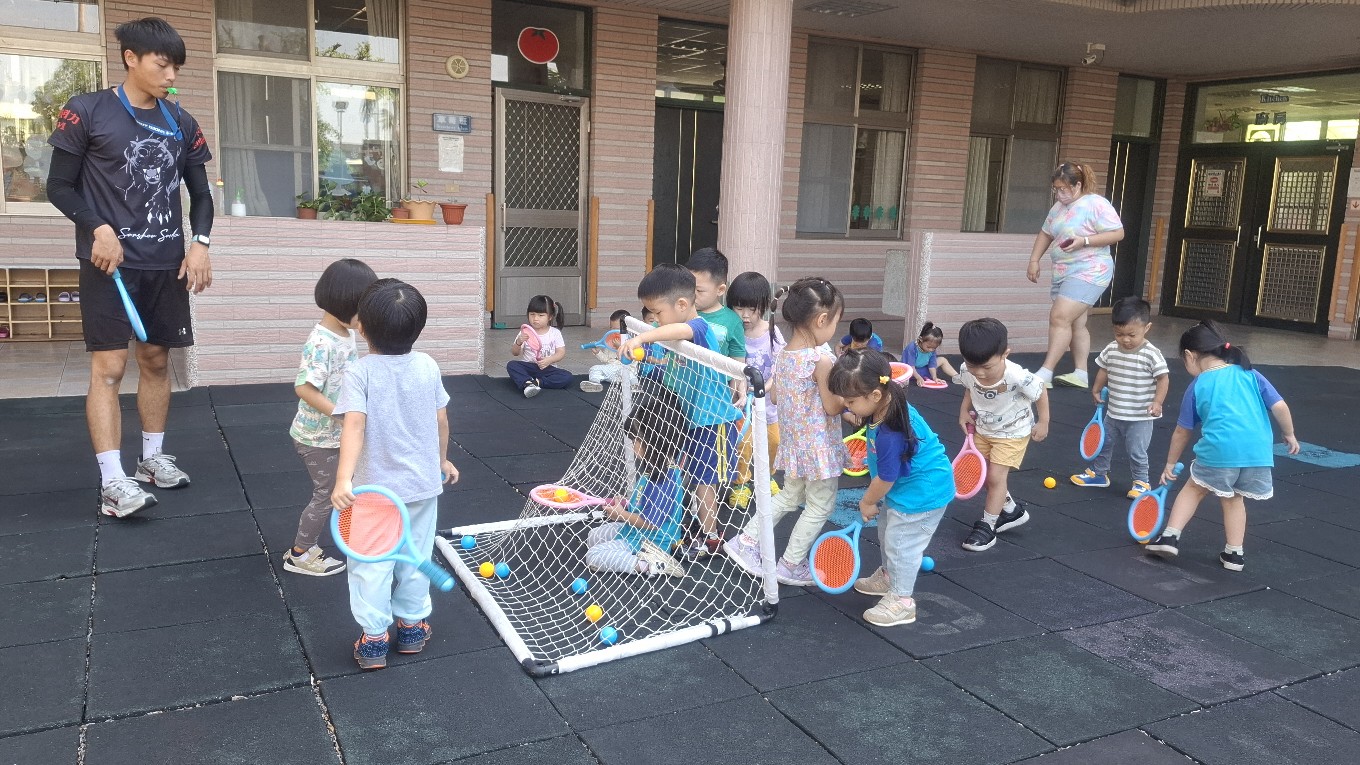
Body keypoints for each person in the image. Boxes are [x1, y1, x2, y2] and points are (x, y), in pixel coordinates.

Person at [45, 17, 214, 517]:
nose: (171, 76)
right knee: (110, 368)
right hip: (109, 265)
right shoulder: (86, 111)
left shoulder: (181, 121)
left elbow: (201, 195)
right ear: (131, 58)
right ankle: (112, 481)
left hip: (165, 264)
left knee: (157, 361)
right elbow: (59, 186)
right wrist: (97, 228)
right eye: (162, 65)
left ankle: (151, 459)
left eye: (176, 67)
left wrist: (200, 244)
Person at [331, 279, 458, 670]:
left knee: (370, 564)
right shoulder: (428, 365)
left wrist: (343, 480)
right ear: (418, 328)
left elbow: (354, 426)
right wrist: (441, 460)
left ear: (362, 328)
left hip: (374, 493)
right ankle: (412, 627)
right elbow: (441, 420)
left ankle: (373, 639)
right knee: (416, 557)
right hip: (421, 487)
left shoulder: (360, 372)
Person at [1146, 321, 1299, 572]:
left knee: (1194, 489)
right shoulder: (1250, 374)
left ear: (1189, 356)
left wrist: (1170, 463)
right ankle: (1234, 554)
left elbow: (1183, 431)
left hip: (1221, 450)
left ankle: (1170, 537)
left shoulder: (1199, 384)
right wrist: (1289, 434)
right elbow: (1280, 406)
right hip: (1257, 455)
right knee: (1235, 498)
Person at [721, 277, 845, 585]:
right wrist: (849, 399)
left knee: (790, 496)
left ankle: (746, 540)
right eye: (835, 322)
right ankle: (790, 564)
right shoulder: (820, 359)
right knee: (820, 505)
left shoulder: (785, 355)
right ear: (822, 320)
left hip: (794, 445)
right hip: (818, 449)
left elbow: (775, 396)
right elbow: (832, 407)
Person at [620, 264, 744, 560]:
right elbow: (669, 361)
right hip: (689, 418)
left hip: (713, 422)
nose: (654, 320)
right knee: (686, 473)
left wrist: (642, 338)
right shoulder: (673, 334)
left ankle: (711, 537)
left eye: (657, 313)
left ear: (682, 304)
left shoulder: (699, 328)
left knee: (704, 481)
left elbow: (679, 330)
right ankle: (688, 522)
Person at [830, 350, 953, 627]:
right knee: (888, 533)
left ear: (875, 395)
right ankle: (889, 577)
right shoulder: (888, 402)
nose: (846, 405)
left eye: (850, 401)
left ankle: (902, 601)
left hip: (922, 494)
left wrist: (867, 502)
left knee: (902, 547)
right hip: (906, 489)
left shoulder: (890, 432)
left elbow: (886, 478)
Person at [285, 258, 377, 576]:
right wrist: (341, 415)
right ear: (344, 304)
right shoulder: (321, 342)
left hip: (337, 433)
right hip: (316, 438)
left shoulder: (345, 333)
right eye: (363, 310)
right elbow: (303, 388)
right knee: (327, 494)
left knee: (350, 485)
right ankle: (300, 553)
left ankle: (352, 536)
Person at [1025, 162, 1125, 389]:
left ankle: (1045, 372)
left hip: (1090, 270)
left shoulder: (1096, 204)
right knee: (1076, 322)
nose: (1059, 194)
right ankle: (1081, 373)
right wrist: (1034, 260)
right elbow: (1045, 233)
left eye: (1063, 189)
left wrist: (1085, 241)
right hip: (1064, 271)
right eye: (1056, 189)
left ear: (1078, 185)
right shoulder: (1058, 208)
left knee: (1059, 317)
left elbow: (1118, 233)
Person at [956, 318, 1049, 552]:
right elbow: (969, 388)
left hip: (1013, 433)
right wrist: (964, 411)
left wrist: (1044, 422)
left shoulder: (1017, 376)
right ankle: (1011, 511)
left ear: (1005, 354)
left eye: (987, 367)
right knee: (983, 475)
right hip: (984, 429)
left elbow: (1040, 391)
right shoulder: (968, 370)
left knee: (996, 478)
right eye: (973, 366)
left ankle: (988, 526)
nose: (979, 373)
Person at [1070, 297, 1170, 499]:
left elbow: (1163, 378)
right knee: (1103, 443)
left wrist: (1157, 402)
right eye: (1119, 334)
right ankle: (1099, 473)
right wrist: (1096, 388)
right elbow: (1104, 369)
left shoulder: (1151, 354)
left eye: (1131, 334)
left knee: (1136, 451)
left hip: (1140, 416)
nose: (1125, 339)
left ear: (1147, 328)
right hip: (1114, 412)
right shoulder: (1111, 349)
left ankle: (1141, 482)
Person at [585, 384, 688, 578]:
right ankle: (636, 558)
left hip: (649, 542)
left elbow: (651, 523)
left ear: (655, 442)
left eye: (636, 441)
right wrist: (626, 504)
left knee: (594, 555)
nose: (633, 447)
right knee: (593, 537)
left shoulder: (664, 480)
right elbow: (645, 504)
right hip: (634, 531)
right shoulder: (656, 469)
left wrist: (621, 515)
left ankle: (649, 564)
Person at [728, 272, 785, 499]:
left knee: (774, 442)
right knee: (743, 444)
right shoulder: (733, 332)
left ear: (763, 306)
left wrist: (765, 387)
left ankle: (767, 476)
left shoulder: (771, 331)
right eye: (739, 308)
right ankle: (740, 484)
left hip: (767, 403)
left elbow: (779, 366)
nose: (745, 315)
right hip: (741, 403)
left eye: (752, 309)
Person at [686, 247, 748, 365]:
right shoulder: (680, 310)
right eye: (688, 287)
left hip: (713, 377)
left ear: (720, 290)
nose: (692, 294)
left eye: (699, 290)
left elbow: (738, 364)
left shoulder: (733, 321)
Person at [508, 294, 569, 398]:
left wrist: (550, 360)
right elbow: (515, 353)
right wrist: (518, 342)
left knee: (567, 377)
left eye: (541, 315)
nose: (535, 319)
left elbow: (561, 352)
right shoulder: (525, 331)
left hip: (547, 368)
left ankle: (536, 383)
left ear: (550, 317)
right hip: (529, 367)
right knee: (512, 365)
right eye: (532, 314)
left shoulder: (555, 333)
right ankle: (527, 382)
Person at [580, 309, 631, 393]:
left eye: (616, 329)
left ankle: (635, 386)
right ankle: (595, 383)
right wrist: (598, 352)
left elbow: (631, 361)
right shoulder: (610, 341)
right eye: (611, 328)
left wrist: (620, 347)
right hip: (612, 372)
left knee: (632, 375)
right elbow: (606, 360)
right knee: (594, 369)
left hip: (626, 372)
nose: (613, 332)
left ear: (627, 329)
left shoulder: (632, 342)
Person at [902, 322, 959, 386]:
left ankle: (958, 377)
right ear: (921, 339)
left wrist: (934, 378)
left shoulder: (932, 349)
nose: (931, 350)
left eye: (934, 348)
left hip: (924, 369)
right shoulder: (912, 348)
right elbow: (911, 366)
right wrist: (918, 378)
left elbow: (932, 365)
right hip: (910, 371)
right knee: (905, 371)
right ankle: (920, 376)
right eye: (928, 347)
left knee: (942, 360)